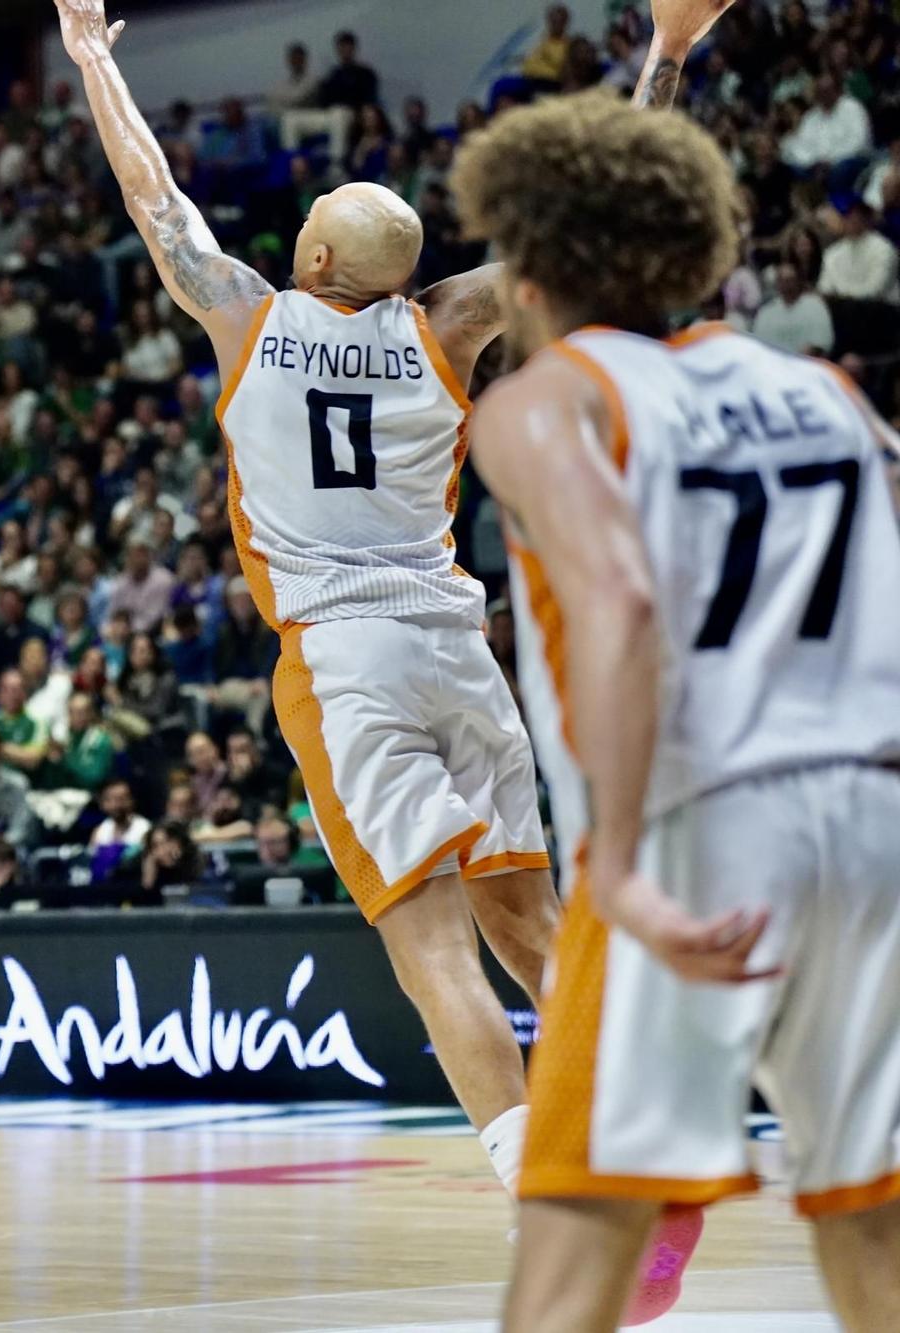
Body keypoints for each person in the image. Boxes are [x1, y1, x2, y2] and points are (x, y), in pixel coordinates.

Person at [55, 0, 590, 1278]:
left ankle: (556, 1211)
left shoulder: (245, 315)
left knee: (429, 946)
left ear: (306, 259)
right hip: (459, 649)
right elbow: (582, 226)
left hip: (346, 658)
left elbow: (154, 198)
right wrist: (664, 57)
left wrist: (92, 58)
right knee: (531, 920)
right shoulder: (447, 324)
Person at [455, 19, 900, 1333]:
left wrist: (631, 864)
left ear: (526, 268)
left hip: (704, 824)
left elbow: (622, 597)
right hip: (870, 829)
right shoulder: (826, 389)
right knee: (871, 1231)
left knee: (574, 1265)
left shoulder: (546, 404)